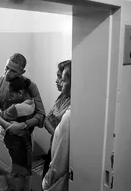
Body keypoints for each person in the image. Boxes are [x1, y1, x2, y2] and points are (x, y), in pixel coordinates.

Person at [0, 53, 46, 191]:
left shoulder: (30, 86)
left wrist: (24, 125)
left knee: (22, 177)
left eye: (13, 70)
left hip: (23, 137)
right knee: (3, 174)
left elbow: (41, 114)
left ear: (22, 72)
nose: (7, 72)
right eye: (7, 67)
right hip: (4, 134)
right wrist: (7, 126)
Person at [42, 63, 72, 191]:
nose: (57, 81)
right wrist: (56, 134)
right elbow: (46, 119)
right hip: (54, 144)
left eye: (61, 78)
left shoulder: (70, 114)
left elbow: (59, 166)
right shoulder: (61, 97)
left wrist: (57, 135)